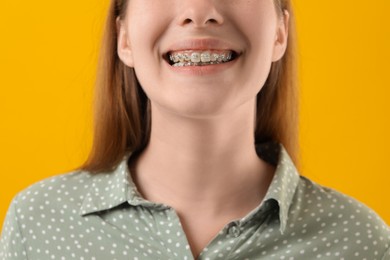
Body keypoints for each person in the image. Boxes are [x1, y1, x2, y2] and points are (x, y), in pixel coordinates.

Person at [1, 0, 389, 259]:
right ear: (123, 37)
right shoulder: (37, 224)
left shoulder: (363, 243)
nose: (199, 11)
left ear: (279, 32)